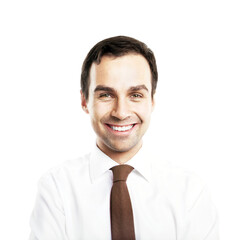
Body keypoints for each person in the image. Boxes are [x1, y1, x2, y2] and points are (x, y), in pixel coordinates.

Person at [29, 36, 219, 240]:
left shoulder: (190, 193)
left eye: (136, 95)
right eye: (106, 95)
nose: (121, 112)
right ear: (85, 101)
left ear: (152, 100)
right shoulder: (57, 189)